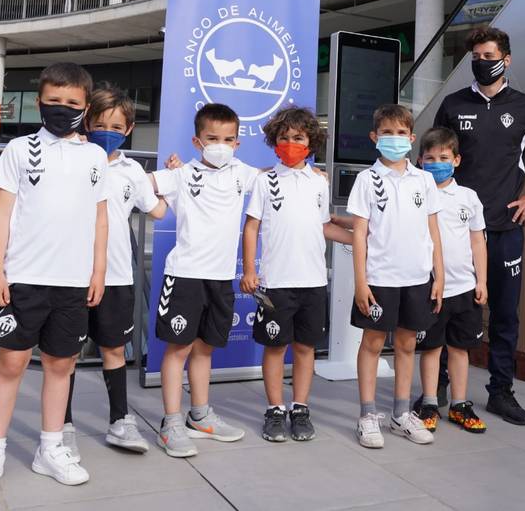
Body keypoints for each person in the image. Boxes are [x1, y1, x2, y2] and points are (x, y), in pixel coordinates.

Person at [0, 63, 109, 497]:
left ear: (85, 107)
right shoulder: (18, 150)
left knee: (61, 364)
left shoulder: (94, 156)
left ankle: (50, 448)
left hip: (72, 281)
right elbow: (2, 213)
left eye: (72, 104)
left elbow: (100, 219)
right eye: (53, 101)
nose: (62, 109)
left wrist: (98, 270)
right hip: (23, 277)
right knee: (10, 363)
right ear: (39, 101)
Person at [432, 26, 525, 427]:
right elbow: (434, 156)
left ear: (506, 59)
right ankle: (436, 386)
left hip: (505, 228)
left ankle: (500, 392)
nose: (482, 62)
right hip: (456, 230)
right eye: (476, 56)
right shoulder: (453, 105)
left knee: (505, 314)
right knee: (444, 308)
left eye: (489, 55)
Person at [61, 82, 167, 454]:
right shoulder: (68, 156)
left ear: (128, 130)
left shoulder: (132, 169)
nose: (108, 131)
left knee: (114, 350)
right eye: (101, 123)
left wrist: (174, 178)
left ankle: (120, 422)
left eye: (117, 126)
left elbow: (156, 209)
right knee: (66, 355)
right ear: (86, 120)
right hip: (69, 273)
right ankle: (62, 426)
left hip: (117, 275)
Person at [149, 103, 259, 458]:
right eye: (213, 138)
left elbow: (277, 178)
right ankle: (171, 422)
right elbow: (143, 184)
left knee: (204, 348)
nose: (221, 145)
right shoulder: (181, 175)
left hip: (221, 278)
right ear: (198, 141)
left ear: (238, 143)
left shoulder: (244, 174)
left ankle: (200, 415)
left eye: (228, 139)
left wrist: (313, 173)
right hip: (184, 276)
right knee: (177, 348)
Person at [240, 107, 354, 443]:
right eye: (284, 137)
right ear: (274, 141)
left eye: (299, 138)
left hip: (313, 283)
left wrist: (359, 239)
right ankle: (275, 409)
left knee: (305, 348)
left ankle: (300, 407)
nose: (291, 143)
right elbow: (251, 227)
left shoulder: (318, 182)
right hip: (275, 283)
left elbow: (324, 226)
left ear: (311, 141)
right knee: (275, 348)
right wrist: (250, 269)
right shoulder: (265, 180)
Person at [347, 103, 445, 449]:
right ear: (375, 137)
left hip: (417, 279)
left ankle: (401, 414)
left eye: (401, 133)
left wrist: (440, 276)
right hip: (379, 279)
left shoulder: (424, 180)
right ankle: (367, 415)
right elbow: (359, 233)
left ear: (411, 138)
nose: (394, 139)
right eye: (387, 133)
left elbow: (434, 231)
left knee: (407, 344)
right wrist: (360, 281)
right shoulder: (366, 180)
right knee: (372, 344)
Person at [412, 127, 488, 434]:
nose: (436, 163)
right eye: (429, 158)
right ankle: (429, 401)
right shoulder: (416, 194)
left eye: (443, 157)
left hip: (464, 288)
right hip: (430, 288)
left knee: (460, 348)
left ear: (456, 160)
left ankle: (459, 404)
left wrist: (481, 281)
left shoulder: (468, 197)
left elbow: (478, 242)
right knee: (431, 347)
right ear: (420, 161)